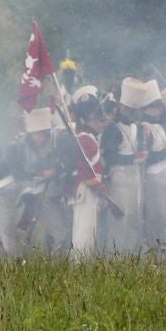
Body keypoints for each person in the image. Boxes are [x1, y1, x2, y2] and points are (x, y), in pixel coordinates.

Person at [0, 107, 57, 256]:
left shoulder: (34, 149)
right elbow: (18, 173)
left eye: (46, 135)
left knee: (0, 233)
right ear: (34, 134)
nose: (44, 138)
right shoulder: (18, 147)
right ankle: (16, 266)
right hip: (3, 191)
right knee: (6, 232)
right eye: (42, 134)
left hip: (13, 192)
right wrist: (42, 173)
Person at [101, 78, 156, 253]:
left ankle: (131, 253)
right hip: (119, 177)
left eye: (132, 110)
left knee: (134, 216)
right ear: (121, 108)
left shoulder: (138, 128)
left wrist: (141, 155)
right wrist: (132, 158)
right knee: (119, 218)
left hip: (135, 175)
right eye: (127, 109)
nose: (129, 113)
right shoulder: (112, 128)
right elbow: (109, 156)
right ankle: (114, 253)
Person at [66, 96, 108, 261]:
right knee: (83, 238)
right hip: (85, 190)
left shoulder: (86, 137)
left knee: (87, 236)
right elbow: (84, 172)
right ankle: (76, 276)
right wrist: (101, 189)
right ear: (90, 118)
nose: (103, 123)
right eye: (100, 118)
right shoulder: (85, 138)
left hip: (89, 190)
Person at [140, 94, 166, 250]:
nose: (158, 110)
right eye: (154, 107)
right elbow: (147, 156)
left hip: (165, 171)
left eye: (159, 107)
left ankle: (165, 244)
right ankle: (154, 245)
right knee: (156, 213)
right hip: (153, 174)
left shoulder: (161, 125)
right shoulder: (143, 127)